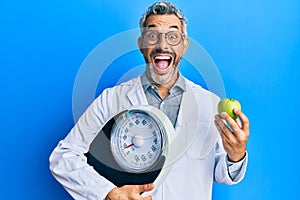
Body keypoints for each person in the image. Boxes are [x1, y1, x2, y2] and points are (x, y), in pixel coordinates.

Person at [49, 1, 250, 200]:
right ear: (141, 45)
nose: (162, 45)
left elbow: (222, 174)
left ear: (184, 45)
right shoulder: (111, 99)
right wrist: (108, 193)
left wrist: (237, 155)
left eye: (172, 36)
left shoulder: (208, 103)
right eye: (152, 36)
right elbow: (63, 157)